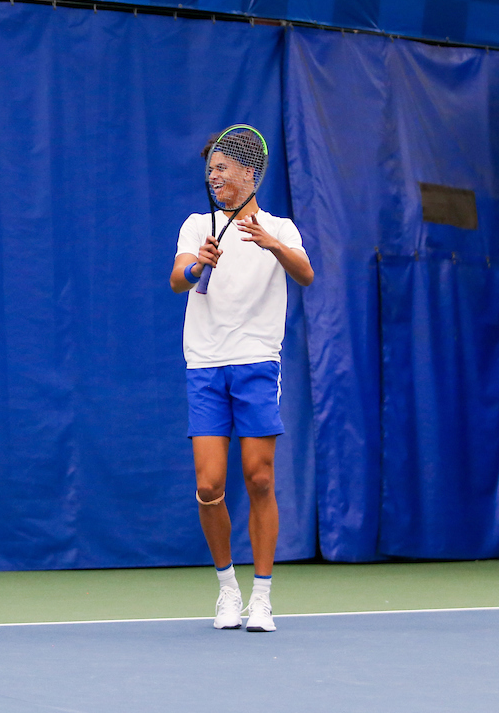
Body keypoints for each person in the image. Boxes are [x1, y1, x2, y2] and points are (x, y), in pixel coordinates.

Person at [170, 128, 314, 633]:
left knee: (259, 478)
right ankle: (227, 590)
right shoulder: (196, 226)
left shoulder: (282, 227)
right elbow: (177, 277)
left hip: (256, 363)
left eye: (222, 168)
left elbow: (306, 275)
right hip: (205, 364)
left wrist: (272, 243)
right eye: (209, 170)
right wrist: (196, 268)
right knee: (209, 486)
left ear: (249, 172)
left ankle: (263, 597)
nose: (214, 178)